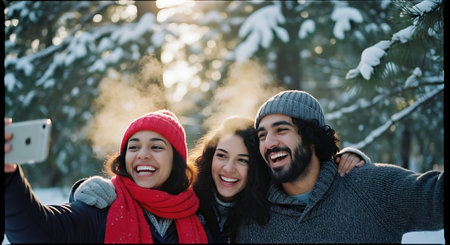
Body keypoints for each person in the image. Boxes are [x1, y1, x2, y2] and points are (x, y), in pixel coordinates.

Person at [71, 116, 371, 243]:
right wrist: (95, 188)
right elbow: (141, 192)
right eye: (222, 156)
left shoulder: (270, 199)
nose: (229, 169)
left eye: (243, 161)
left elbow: (308, 184)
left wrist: (348, 160)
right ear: (209, 157)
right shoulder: (185, 198)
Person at [235, 90, 444, 243]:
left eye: (281, 130)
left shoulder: (370, 189)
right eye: (262, 135)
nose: (269, 142)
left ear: (311, 137)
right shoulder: (254, 221)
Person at [4, 110, 211, 243]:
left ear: (176, 160)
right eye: (134, 147)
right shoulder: (101, 207)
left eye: (156, 146)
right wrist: (9, 177)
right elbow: (38, 233)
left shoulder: (201, 216)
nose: (142, 154)